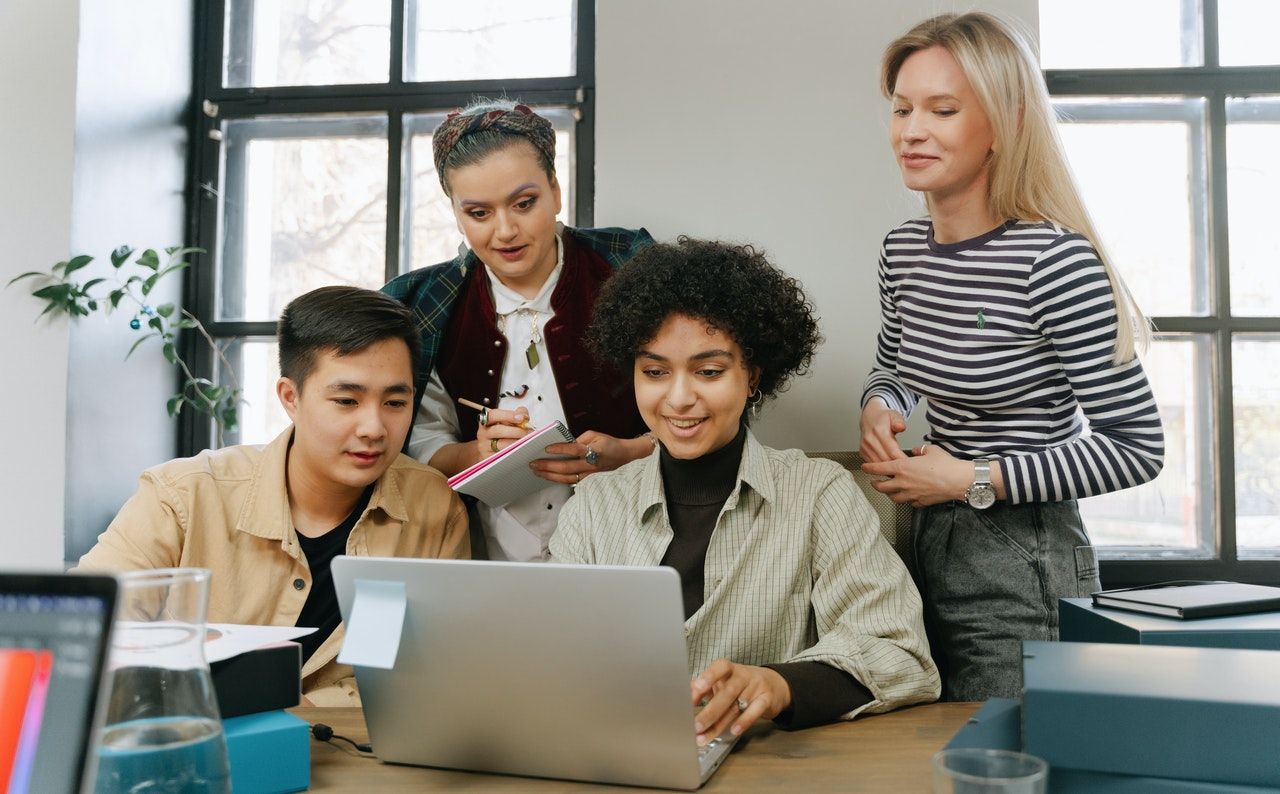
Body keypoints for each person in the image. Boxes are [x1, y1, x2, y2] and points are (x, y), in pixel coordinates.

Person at [859, 12, 1166, 701]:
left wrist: (969, 478)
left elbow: (1137, 448)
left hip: (1025, 553)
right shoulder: (902, 250)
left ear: (1005, 123)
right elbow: (897, 367)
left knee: (1012, 750)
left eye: (942, 110)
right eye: (903, 109)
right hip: (927, 538)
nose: (911, 131)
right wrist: (880, 405)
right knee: (930, 746)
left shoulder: (1053, 263)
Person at [551, 238, 939, 745]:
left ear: (752, 376)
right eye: (655, 372)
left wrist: (778, 685)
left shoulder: (819, 494)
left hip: (770, 768)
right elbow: (551, 659)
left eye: (709, 372)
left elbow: (901, 655)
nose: (679, 398)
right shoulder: (594, 507)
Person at [77, 286, 469, 705]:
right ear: (290, 397)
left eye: (394, 402)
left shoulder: (433, 508)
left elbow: (432, 671)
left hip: (355, 743)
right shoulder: (182, 496)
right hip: (199, 734)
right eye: (346, 401)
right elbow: (83, 631)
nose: (374, 428)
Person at [383, 99, 654, 562]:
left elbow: (702, 402)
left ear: (556, 191)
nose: (506, 230)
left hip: (632, 547)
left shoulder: (629, 267)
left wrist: (630, 454)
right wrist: (475, 453)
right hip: (485, 556)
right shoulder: (423, 303)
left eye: (524, 204)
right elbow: (419, 440)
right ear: (456, 213)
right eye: (479, 213)